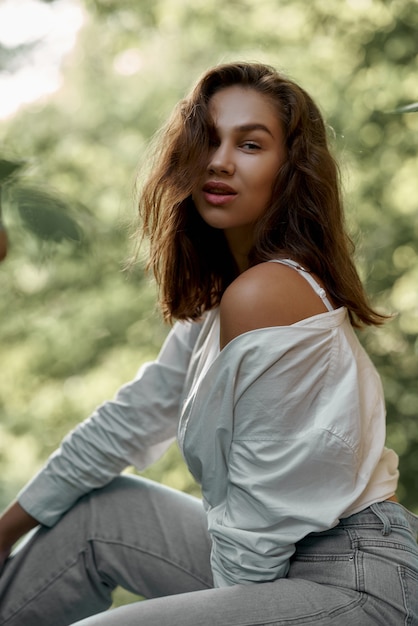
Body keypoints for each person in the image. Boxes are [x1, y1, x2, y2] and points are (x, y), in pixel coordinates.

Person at [0, 61, 417, 626]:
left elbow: (256, 535)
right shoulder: (222, 302)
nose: (219, 160)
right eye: (207, 140)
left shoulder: (269, 293)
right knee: (101, 515)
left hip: (356, 575)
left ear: (289, 168)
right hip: (279, 563)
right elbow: (131, 418)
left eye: (250, 144)